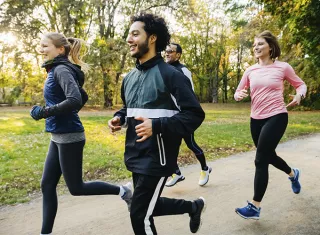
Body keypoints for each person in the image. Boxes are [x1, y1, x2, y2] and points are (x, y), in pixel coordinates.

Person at [108, 13, 206, 234]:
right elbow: (130, 109)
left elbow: (194, 114)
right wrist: (120, 118)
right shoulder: (129, 78)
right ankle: (193, 207)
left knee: (139, 215)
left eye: (135, 34)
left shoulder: (171, 75)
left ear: (152, 38)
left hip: (159, 157)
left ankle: (193, 207)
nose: (129, 39)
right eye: (128, 34)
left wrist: (158, 125)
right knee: (144, 206)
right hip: (134, 154)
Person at [30, 32, 132, 235]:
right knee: (47, 184)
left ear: (60, 49)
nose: (41, 49)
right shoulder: (55, 69)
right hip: (58, 134)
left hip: (69, 136)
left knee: (76, 188)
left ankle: (123, 191)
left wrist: (44, 112)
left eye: (45, 46)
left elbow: (75, 99)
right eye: (40, 46)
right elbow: (80, 96)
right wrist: (54, 111)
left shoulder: (60, 69)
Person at [234, 30, 307, 220]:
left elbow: (300, 84)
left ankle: (255, 207)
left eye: (260, 44)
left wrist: (299, 95)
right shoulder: (250, 70)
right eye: (254, 45)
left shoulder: (283, 67)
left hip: (277, 116)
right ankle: (293, 173)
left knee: (260, 159)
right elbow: (238, 91)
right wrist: (239, 95)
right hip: (255, 119)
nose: (256, 47)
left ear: (270, 47)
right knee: (268, 155)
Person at [164, 43, 212, 187]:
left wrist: (186, 112)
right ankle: (176, 173)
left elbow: (188, 92)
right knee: (170, 144)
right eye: (165, 51)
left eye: (170, 51)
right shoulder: (164, 69)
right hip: (170, 114)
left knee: (190, 143)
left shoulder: (183, 70)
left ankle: (205, 169)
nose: (166, 53)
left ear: (178, 54)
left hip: (184, 114)